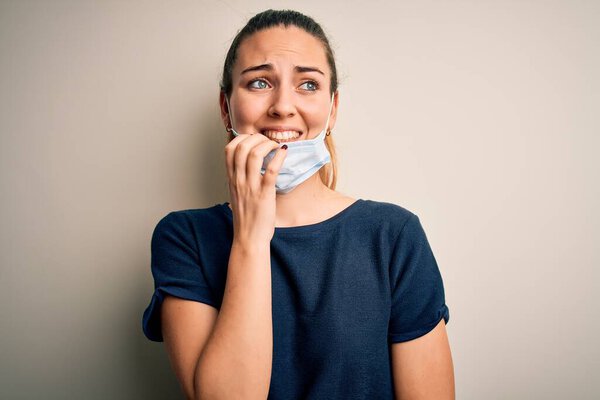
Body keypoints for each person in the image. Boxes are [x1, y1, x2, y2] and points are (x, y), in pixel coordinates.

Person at [142, 9, 454, 400]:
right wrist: (251, 240)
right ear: (226, 107)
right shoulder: (184, 237)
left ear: (333, 108)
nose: (283, 106)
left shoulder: (394, 234)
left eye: (307, 85)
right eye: (259, 82)